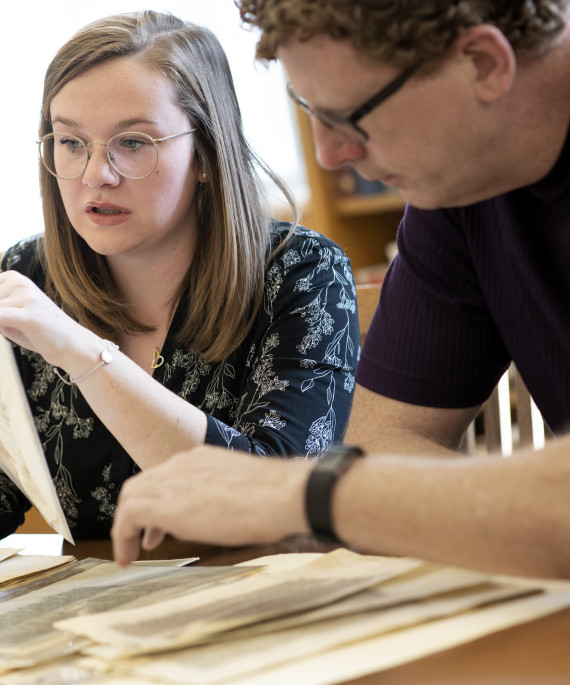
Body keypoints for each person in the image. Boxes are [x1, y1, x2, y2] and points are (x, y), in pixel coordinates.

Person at [111, 0, 570, 578]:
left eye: (350, 117)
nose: (331, 154)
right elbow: (382, 442)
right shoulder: (460, 188)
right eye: (310, 113)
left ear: (482, 63)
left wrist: (307, 494)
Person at [0, 10, 359, 539]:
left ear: (207, 155)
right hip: (100, 609)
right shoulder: (27, 273)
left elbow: (282, 496)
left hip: (264, 602)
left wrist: (81, 353)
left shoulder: (301, 273)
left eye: (134, 143)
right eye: (71, 143)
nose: (96, 175)